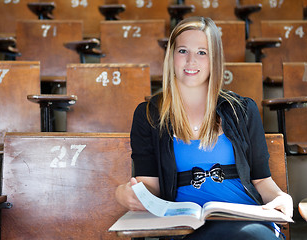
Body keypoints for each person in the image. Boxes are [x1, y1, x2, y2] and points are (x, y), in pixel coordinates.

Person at [115, 16, 293, 240]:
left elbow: (261, 180)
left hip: (245, 218)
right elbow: (150, 187)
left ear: (214, 60)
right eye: (182, 51)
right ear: (171, 56)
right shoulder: (149, 114)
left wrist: (280, 197)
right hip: (185, 226)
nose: (191, 61)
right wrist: (126, 194)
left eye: (202, 52)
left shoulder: (242, 110)